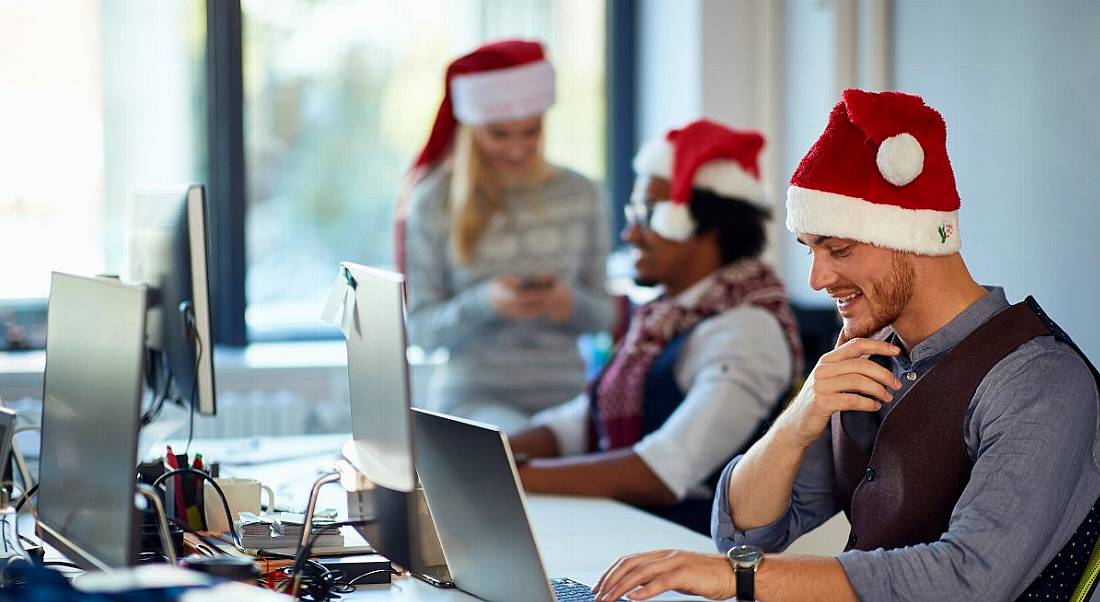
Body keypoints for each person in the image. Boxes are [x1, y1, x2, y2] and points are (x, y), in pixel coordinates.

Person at [591, 90, 1100, 602]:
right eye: (811, 250)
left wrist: (742, 577)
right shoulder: (869, 353)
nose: (817, 278)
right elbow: (743, 534)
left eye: (838, 249)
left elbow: (968, 580)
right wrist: (799, 417)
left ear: (913, 237)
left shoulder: (1041, 379)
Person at [511, 119, 803, 534]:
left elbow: (665, 472)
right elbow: (582, 422)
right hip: (633, 535)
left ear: (706, 225)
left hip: (693, 559)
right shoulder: (664, 318)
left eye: (647, 215)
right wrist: (493, 451)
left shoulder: (747, 332)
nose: (630, 232)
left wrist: (513, 477)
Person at [399, 40, 614, 431]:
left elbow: (604, 314)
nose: (517, 149)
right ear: (471, 129)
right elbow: (421, 331)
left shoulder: (583, 194)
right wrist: (486, 303)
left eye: (530, 132)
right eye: (500, 134)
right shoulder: (433, 202)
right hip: (474, 401)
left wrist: (568, 304)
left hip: (566, 402)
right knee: (515, 449)